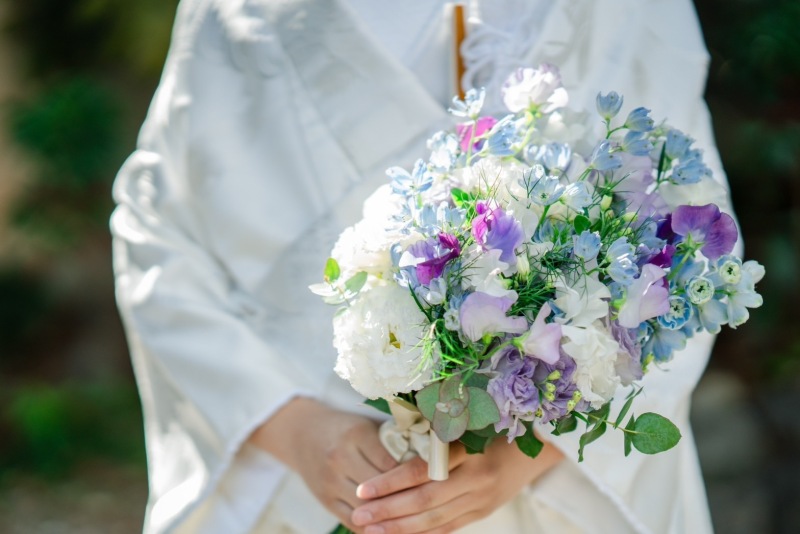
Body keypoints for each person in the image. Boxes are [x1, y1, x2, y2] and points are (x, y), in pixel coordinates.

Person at [111, 0, 733, 532]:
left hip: (553, 489)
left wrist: (525, 457)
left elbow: (688, 249)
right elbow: (159, 233)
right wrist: (297, 431)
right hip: (314, 484)